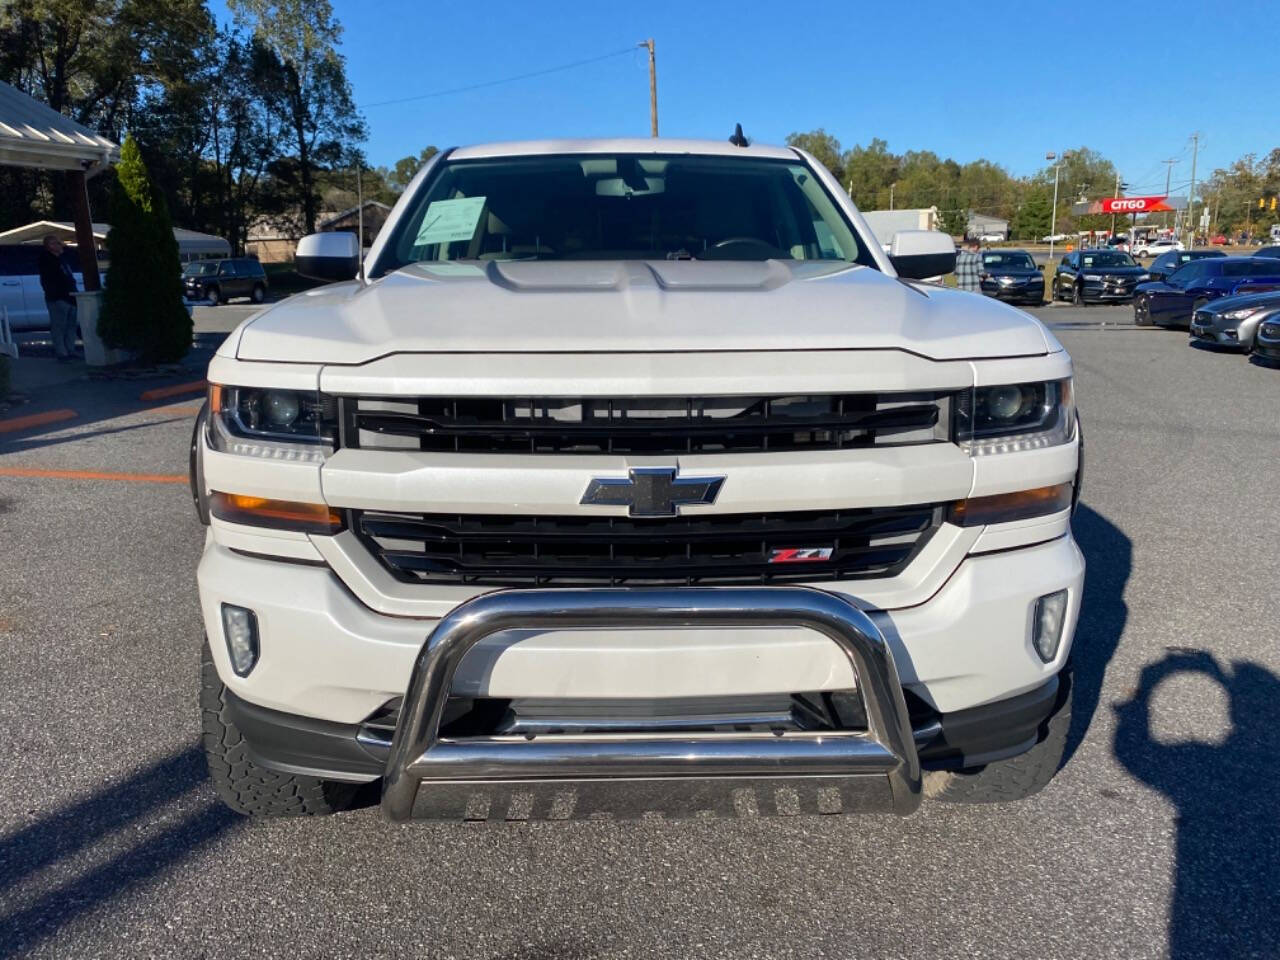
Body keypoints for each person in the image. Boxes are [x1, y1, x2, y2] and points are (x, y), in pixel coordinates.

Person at [39, 234, 79, 362]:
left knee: (71, 325)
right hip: (58, 298)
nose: (60, 245)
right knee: (59, 326)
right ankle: (62, 353)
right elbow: (49, 281)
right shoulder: (47, 261)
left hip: (70, 296)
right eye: (56, 243)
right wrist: (56, 296)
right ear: (50, 246)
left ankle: (70, 349)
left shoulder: (62, 259)